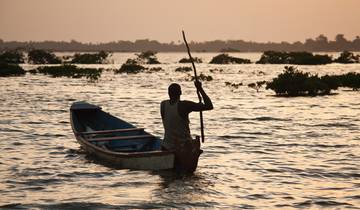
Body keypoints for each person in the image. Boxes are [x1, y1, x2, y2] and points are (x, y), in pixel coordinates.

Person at [160, 81, 213, 151]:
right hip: (183, 147)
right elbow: (209, 106)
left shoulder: (163, 104)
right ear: (180, 93)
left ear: (168, 93)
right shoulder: (184, 105)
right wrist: (200, 89)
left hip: (166, 146)